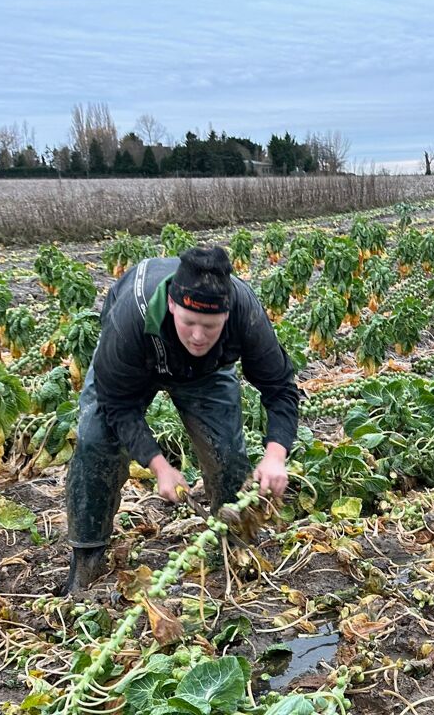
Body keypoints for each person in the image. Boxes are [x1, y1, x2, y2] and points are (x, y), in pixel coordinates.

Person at [60, 245, 299, 595]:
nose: (198, 336)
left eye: (210, 326)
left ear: (227, 315)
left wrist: (276, 455)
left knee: (227, 453)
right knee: (96, 439)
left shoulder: (246, 314)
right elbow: (118, 404)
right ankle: (87, 557)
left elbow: (280, 387)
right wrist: (158, 466)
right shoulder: (131, 317)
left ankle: (233, 540)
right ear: (172, 305)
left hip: (205, 374)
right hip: (138, 362)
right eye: (189, 322)